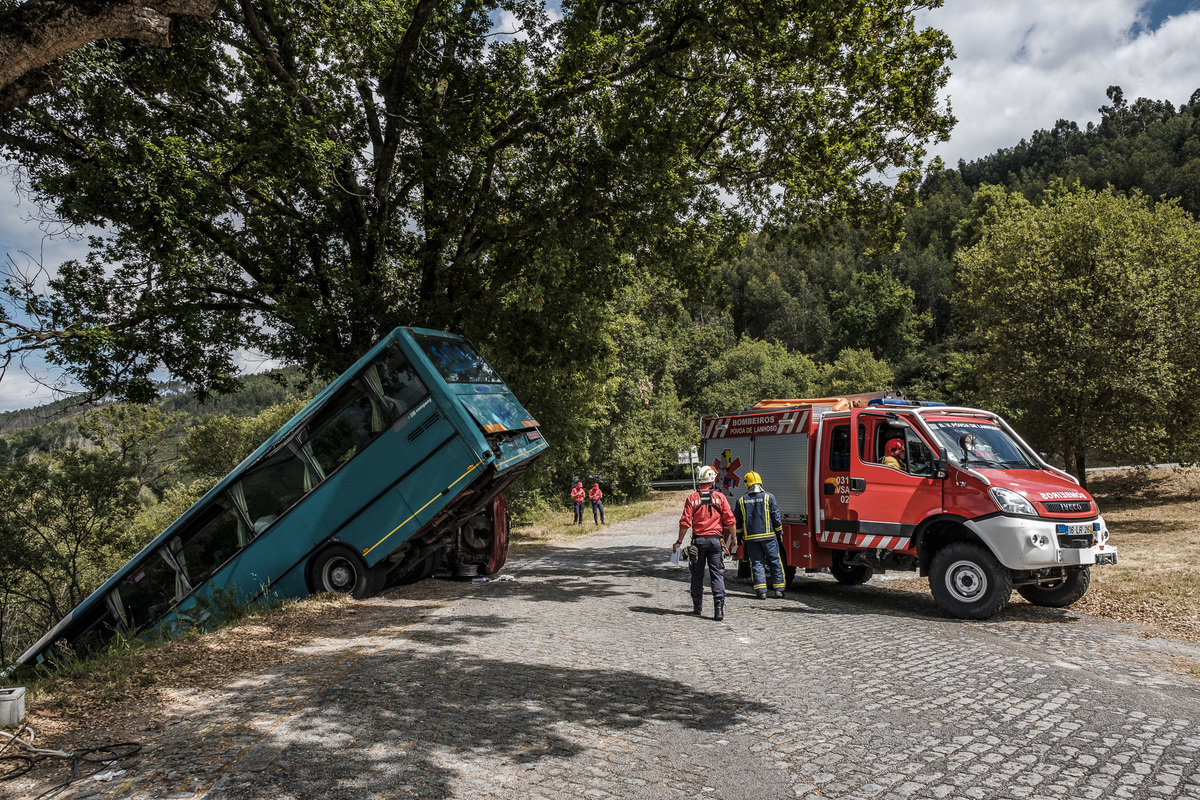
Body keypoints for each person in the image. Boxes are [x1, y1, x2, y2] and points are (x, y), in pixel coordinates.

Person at [674, 466, 736, 620]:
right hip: (715, 542)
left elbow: (684, 523)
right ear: (713, 480)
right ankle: (719, 610)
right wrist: (734, 538)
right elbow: (730, 520)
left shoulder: (692, 498)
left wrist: (679, 542)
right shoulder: (720, 498)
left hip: (698, 542)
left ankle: (697, 607)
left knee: (697, 575)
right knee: (717, 574)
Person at [733, 471, 787, 599]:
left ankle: (761, 591)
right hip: (769, 537)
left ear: (747, 484)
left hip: (751, 539)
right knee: (775, 561)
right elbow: (776, 517)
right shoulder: (769, 497)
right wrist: (779, 533)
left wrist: (739, 537)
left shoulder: (741, 501)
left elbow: (738, 522)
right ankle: (779, 589)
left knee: (757, 563)